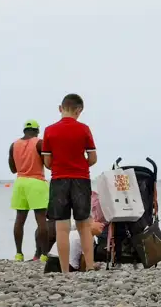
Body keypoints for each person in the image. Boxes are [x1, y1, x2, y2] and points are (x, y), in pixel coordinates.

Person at [41, 93, 97, 273]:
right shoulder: (84, 129)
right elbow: (93, 158)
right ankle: (89, 265)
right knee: (84, 225)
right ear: (79, 110)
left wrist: (60, 166)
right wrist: (81, 165)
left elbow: (47, 162)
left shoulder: (49, 130)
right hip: (81, 179)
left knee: (62, 228)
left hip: (59, 180)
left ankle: (65, 271)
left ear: (60, 108)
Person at [9, 119, 50, 262]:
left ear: (24, 131)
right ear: (37, 131)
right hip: (37, 182)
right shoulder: (40, 143)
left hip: (20, 182)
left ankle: (18, 254)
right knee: (41, 221)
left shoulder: (14, 145)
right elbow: (48, 163)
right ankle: (44, 255)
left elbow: (13, 169)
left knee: (19, 220)